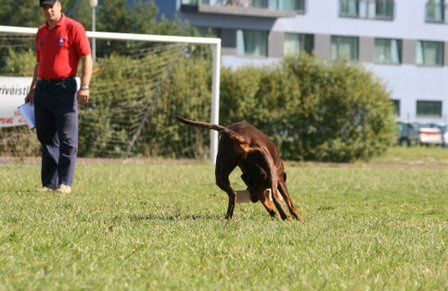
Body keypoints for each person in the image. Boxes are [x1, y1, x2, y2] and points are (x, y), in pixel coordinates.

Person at [25, 0, 92, 193]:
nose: (49, 10)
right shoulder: (41, 32)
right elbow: (38, 63)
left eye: (52, 5)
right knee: (45, 136)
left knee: (67, 137)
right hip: (43, 90)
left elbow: (86, 56)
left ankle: (65, 183)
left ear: (60, 5)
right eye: (45, 7)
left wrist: (85, 86)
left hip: (65, 88)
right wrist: (32, 89)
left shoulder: (74, 27)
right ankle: (49, 183)